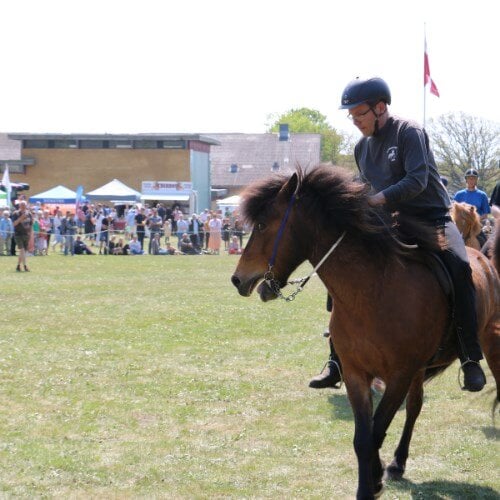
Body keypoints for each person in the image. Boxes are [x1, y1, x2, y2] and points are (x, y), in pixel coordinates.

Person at [309, 76, 486, 393]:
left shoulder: (409, 132)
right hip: (390, 219)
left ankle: (470, 358)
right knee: (344, 264)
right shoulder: (362, 147)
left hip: (432, 217)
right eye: (351, 115)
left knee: (460, 267)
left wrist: (376, 199)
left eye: (359, 113)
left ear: (380, 108)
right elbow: (365, 185)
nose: (355, 121)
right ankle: (337, 360)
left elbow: (417, 181)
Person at [11, 200, 33, 271]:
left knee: (23, 252)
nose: (23, 206)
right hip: (18, 234)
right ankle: (25, 266)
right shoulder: (15, 213)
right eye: (22, 205)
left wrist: (30, 234)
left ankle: (18, 266)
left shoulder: (29, 214)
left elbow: (30, 224)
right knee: (22, 250)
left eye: (24, 205)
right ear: (19, 206)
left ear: (26, 206)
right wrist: (21, 218)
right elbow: (14, 224)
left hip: (26, 234)